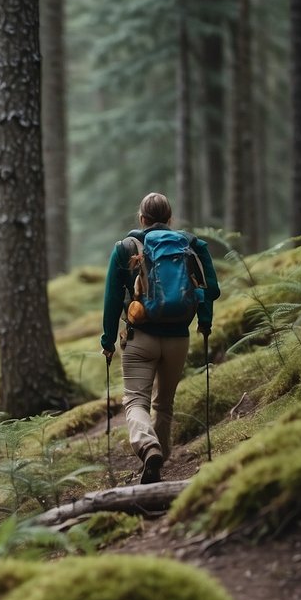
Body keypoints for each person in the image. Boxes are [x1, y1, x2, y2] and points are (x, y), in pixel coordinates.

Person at [100, 192, 220, 484]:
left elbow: (112, 300)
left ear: (141, 219)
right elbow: (212, 290)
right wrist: (204, 320)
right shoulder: (191, 245)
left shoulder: (125, 247)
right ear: (170, 218)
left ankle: (147, 446)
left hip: (140, 337)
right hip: (178, 338)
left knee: (135, 402)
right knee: (164, 404)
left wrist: (107, 341)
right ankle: (159, 459)